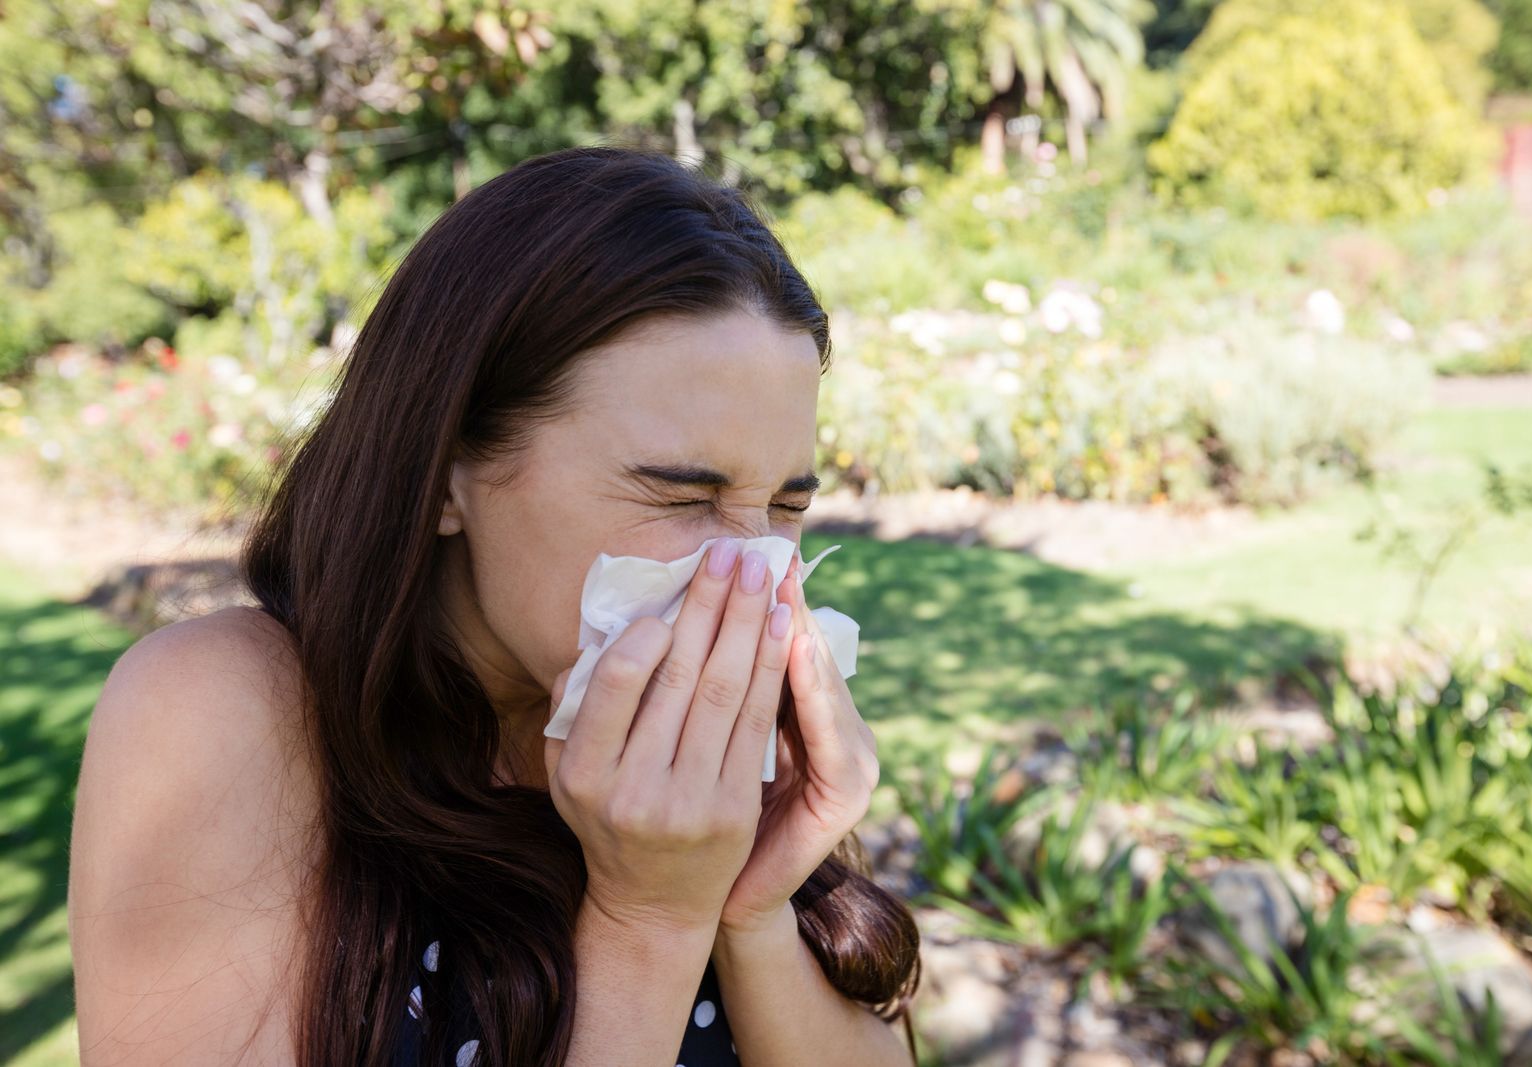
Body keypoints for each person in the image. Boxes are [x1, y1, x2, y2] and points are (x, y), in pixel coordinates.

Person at [67, 144, 922, 1065]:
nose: (757, 576)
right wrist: (649, 918)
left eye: (787, 508)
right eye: (680, 497)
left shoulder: (709, 759)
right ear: (442, 475)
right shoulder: (223, 714)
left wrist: (751, 897)